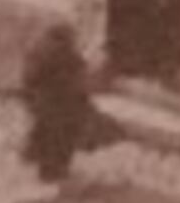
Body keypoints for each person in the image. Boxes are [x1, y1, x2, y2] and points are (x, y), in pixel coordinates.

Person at [19, 24, 116, 183]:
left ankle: (36, 157)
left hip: (43, 107)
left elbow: (28, 80)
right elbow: (81, 84)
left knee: (44, 132)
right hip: (63, 113)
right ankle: (52, 172)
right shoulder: (70, 60)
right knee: (60, 142)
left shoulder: (37, 52)